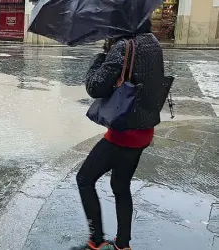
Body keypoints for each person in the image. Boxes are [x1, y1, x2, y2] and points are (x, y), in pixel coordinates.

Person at [73, 19, 165, 250]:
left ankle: (96, 240)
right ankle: (123, 244)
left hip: (123, 133)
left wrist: (101, 56)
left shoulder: (124, 46)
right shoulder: (153, 42)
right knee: (121, 186)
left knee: (84, 179)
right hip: (144, 131)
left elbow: (95, 87)